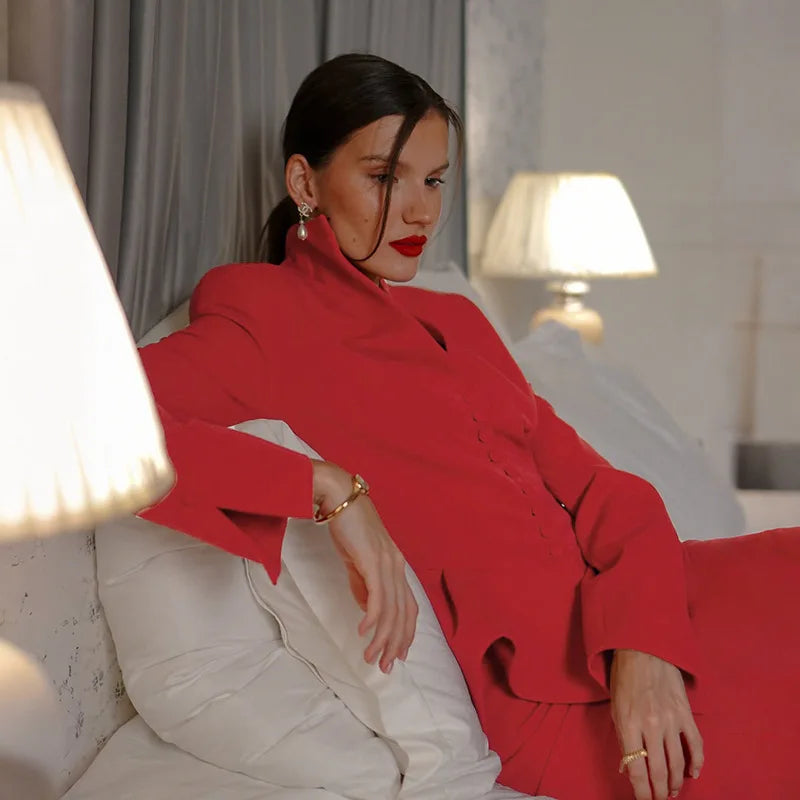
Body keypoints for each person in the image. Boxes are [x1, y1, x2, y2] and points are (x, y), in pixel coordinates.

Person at [138, 53, 800, 800]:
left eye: (433, 178)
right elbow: (99, 425)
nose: (420, 210)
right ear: (303, 184)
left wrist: (644, 645)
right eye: (385, 178)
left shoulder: (456, 317)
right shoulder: (259, 312)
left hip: (645, 608)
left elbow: (604, 489)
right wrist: (325, 488)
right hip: (548, 700)